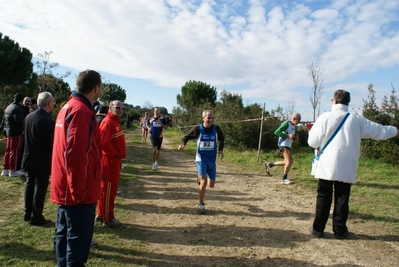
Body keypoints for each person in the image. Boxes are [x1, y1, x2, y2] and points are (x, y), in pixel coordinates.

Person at [307, 89, 399, 239]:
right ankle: (340, 230)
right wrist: (395, 131)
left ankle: (318, 228)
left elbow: (312, 142)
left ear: (334, 101)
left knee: (323, 196)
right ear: (348, 103)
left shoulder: (324, 117)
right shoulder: (357, 120)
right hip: (347, 165)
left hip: (326, 164)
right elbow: (379, 130)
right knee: (342, 197)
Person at [50, 70, 103, 266]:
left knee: (64, 242)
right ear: (96, 88)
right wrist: (78, 190)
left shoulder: (67, 107)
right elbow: (75, 154)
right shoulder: (81, 112)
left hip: (66, 189)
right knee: (77, 247)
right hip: (78, 193)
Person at [178, 110, 225, 214]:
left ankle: (200, 177)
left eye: (212, 118)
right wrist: (183, 144)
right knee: (203, 182)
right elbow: (186, 137)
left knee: (211, 185)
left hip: (212, 160)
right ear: (203, 118)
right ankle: (201, 204)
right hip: (200, 159)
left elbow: (222, 140)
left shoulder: (216, 129)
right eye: (208, 118)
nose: (211, 120)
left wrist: (220, 149)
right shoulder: (197, 129)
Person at [22, 92, 55, 225]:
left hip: (29, 156)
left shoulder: (29, 116)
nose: (54, 104)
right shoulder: (48, 120)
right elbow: (52, 143)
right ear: (48, 103)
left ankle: (27, 212)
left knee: (30, 184)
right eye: (53, 102)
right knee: (40, 187)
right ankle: (36, 216)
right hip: (42, 159)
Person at [96, 100, 127, 228]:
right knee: (108, 190)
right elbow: (104, 143)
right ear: (110, 108)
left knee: (107, 190)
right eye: (117, 107)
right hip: (109, 161)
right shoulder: (108, 122)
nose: (120, 110)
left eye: (122, 108)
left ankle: (102, 214)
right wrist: (116, 153)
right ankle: (108, 219)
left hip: (114, 161)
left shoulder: (115, 122)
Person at [264, 113, 301, 185]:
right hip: (283, 144)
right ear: (294, 119)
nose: (299, 121)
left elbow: (290, 136)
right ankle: (284, 179)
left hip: (287, 145)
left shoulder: (293, 126)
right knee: (289, 161)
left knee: (286, 162)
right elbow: (276, 132)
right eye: (298, 120)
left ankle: (270, 164)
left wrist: (295, 138)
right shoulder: (286, 124)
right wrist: (287, 136)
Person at [1, 93, 25, 177]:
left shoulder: (8, 107)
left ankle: (6, 169)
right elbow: (18, 121)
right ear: (21, 100)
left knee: (8, 150)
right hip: (16, 132)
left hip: (8, 131)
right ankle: (13, 170)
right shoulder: (17, 108)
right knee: (15, 151)